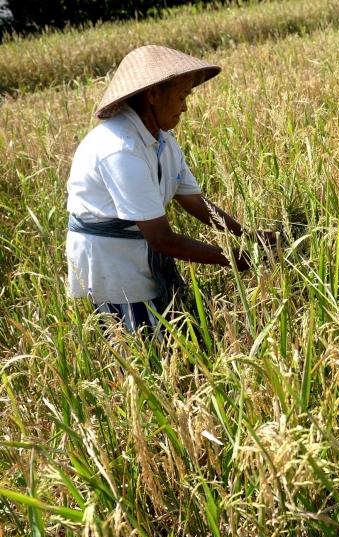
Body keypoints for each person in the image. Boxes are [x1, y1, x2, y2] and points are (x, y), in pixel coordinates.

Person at [65, 44, 275, 333]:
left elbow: (193, 201)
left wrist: (248, 235)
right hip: (114, 262)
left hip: (139, 251)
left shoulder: (162, 140)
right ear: (153, 95)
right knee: (144, 346)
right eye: (181, 95)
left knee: (171, 330)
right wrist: (234, 259)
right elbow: (161, 238)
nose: (185, 106)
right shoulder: (120, 149)